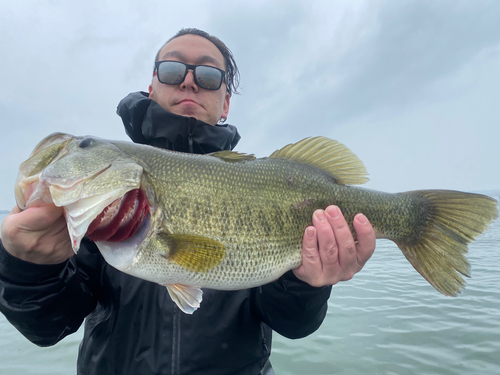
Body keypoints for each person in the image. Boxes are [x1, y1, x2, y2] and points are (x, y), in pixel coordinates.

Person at [0, 28, 376, 374]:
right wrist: (29, 268)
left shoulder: (269, 181)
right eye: (172, 69)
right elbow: (48, 327)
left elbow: (292, 324)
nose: (190, 81)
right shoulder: (101, 208)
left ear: (225, 102)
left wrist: (307, 284)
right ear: (151, 87)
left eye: (209, 76)